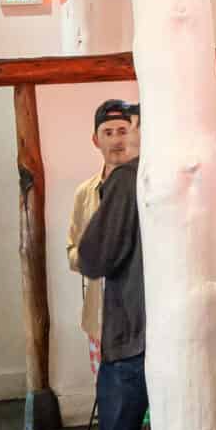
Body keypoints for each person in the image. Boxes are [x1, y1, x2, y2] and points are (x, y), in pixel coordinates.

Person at [74, 140, 148, 430]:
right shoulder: (205, 169)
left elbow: (93, 257)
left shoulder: (128, 179)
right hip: (185, 343)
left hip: (132, 341)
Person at [70, 99, 135, 353]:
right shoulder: (85, 193)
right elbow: (72, 247)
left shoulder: (147, 186)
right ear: (96, 140)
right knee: (106, 389)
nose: (116, 140)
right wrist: (91, 257)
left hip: (141, 313)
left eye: (123, 131)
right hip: (100, 316)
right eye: (108, 133)